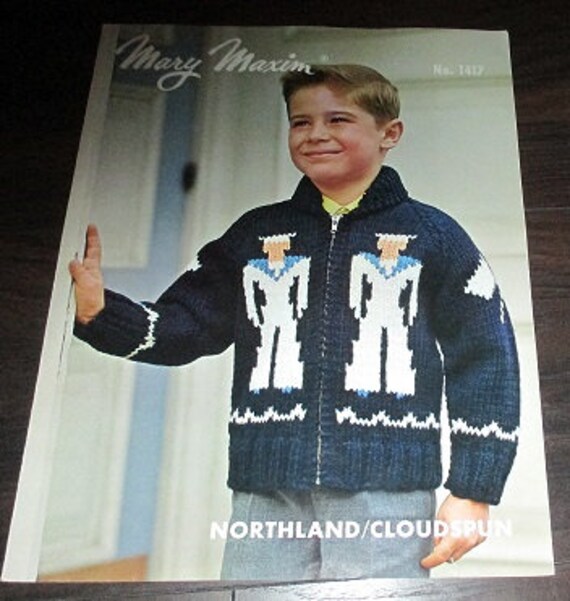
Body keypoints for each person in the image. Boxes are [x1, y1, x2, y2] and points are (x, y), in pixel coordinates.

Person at [69, 64, 520, 579]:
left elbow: (487, 358)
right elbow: (185, 324)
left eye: (338, 119)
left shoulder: (434, 237)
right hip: (267, 487)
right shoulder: (254, 235)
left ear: (389, 133)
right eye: (301, 122)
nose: (316, 134)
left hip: (386, 488)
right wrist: (101, 313)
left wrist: (473, 490)